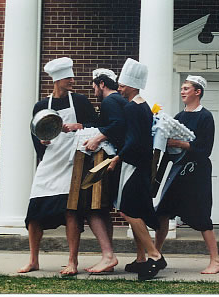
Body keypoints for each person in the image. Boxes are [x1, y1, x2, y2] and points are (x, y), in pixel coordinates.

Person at [18, 57, 98, 276]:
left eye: (72, 76)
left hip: (73, 162)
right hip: (50, 162)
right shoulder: (42, 106)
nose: (73, 80)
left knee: (70, 211)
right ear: (57, 80)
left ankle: (72, 261)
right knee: (34, 213)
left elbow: (97, 125)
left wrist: (80, 125)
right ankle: (33, 260)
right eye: (68, 77)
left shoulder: (80, 102)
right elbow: (35, 133)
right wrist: (42, 142)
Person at [154, 75, 219, 274]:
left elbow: (205, 149)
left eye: (186, 88)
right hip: (177, 171)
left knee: (201, 216)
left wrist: (180, 143)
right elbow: (169, 148)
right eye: (182, 88)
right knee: (163, 213)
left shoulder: (205, 117)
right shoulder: (179, 117)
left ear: (197, 91)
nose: (182, 91)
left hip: (196, 172)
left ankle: (215, 260)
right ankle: (155, 254)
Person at [108, 58, 166, 281]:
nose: (119, 89)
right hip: (141, 166)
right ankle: (141, 258)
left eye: (121, 85)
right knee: (136, 211)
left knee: (129, 211)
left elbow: (133, 140)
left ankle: (154, 255)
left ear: (132, 85)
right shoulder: (144, 107)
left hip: (133, 166)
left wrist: (117, 158)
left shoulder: (132, 108)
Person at [78, 68, 128, 273]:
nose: (93, 90)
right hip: (119, 159)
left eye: (94, 85)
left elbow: (118, 125)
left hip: (109, 160)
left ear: (102, 84)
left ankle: (108, 256)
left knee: (92, 207)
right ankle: (108, 256)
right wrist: (79, 126)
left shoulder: (110, 101)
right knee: (103, 208)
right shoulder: (119, 101)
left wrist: (98, 138)